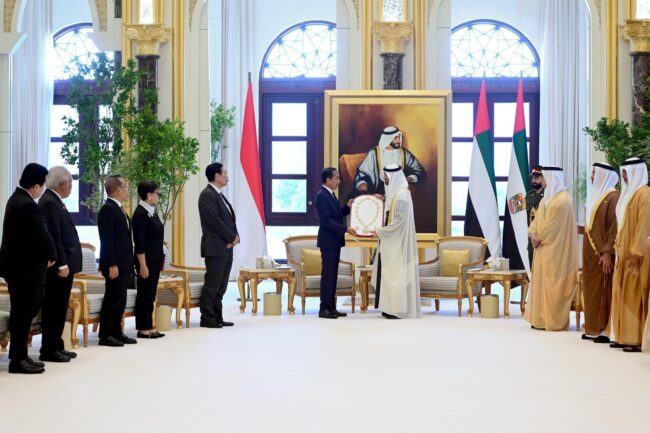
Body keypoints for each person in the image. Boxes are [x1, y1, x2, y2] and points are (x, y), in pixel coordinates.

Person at [0, 163, 56, 374]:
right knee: (23, 313)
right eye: (42, 186)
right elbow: (41, 234)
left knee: (22, 313)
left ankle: (20, 355)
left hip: (20, 268)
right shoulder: (26, 204)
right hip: (25, 270)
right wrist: (52, 254)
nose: (42, 190)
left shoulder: (16, 199)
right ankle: (18, 359)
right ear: (35, 186)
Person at [525, 166, 578, 331]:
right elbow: (534, 220)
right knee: (539, 283)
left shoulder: (564, 200)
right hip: (539, 248)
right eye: (534, 177)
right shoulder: (540, 197)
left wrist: (538, 237)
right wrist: (532, 233)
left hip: (555, 250)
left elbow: (553, 227)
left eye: (539, 177)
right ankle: (539, 319)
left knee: (553, 285)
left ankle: (553, 321)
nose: (536, 181)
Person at [39, 166, 82, 362]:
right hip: (58, 267)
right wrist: (62, 264)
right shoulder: (49, 202)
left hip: (64, 265)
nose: (71, 188)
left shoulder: (56, 201)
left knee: (59, 308)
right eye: (71, 184)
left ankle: (57, 345)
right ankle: (49, 349)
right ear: (63, 183)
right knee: (53, 308)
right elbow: (54, 236)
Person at [609, 158, 650, 353]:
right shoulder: (628, 194)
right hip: (621, 252)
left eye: (626, 173)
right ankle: (621, 335)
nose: (623, 176)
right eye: (622, 172)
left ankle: (634, 338)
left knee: (633, 293)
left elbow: (644, 226)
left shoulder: (644, 194)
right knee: (621, 291)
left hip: (636, 255)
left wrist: (635, 252)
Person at [370, 165, 420, 319]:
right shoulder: (399, 193)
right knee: (390, 274)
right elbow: (393, 210)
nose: (384, 180)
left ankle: (397, 309)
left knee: (396, 275)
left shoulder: (402, 196)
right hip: (393, 242)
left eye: (386, 178)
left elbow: (398, 222)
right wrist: (382, 200)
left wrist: (378, 231)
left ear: (393, 178)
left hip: (398, 243)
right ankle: (389, 307)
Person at [581, 163, 619, 343]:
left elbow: (614, 228)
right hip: (590, 254)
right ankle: (591, 328)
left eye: (595, 173)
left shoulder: (613, 197)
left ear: (605, 175)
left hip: (602, 254)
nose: (591, 177)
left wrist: (606, 253)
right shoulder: (597, 196)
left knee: (603, 289)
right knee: (591, 291)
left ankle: (603, 330)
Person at [198, 163, 238, 328]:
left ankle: (217, 316)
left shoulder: (219, 194)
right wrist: (231, 237)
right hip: (215, 247)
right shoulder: (207, 195)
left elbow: (228, 219)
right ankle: (207, 318)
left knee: (221, 285)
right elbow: (215, 221)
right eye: (225, 173)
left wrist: (235, 237)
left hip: (226, 247)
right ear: (217, 176)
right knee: (213, 284)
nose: (227, 176)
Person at [97, 175, 136, 347]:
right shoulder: (108, 209)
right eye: (126, 186)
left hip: (125, 262)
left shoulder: (119, 209)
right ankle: (106, 334)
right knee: (112, 298)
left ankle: (117, 332)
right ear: (118, 190)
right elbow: (107, 239)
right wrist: (112, 263)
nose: (128, 190)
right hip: (115, 264)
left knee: (121, 298)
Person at [315, 167, 356, 319]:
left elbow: (337, 214)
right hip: (328, 241)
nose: (339, 181)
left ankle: (331, 307)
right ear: (328, 180)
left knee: (332, 275)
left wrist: (348, 207)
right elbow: (326, 221)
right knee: (328, 275)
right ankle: (324, 308)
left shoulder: (330, 195)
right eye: (337, 178)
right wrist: (345, 229)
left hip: (334, 241)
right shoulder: (322, 196)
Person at [132, 181, 165, 339]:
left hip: (155, 259)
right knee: (144, 293)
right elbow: (140, 242)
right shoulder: (139, 214)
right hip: (146, 260)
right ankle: (142, 328)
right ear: (149, 195)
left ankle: (149, 325)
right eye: (157, 193)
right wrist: (143, 265)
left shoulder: (151, 210)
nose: (159, 196)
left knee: (150, 294)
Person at [353, 126, 425, 196]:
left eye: (399, 137)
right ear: (388, 139)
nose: (399, 140)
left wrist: (407, 179)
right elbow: (363, 171)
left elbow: (418, 170)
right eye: (396, 137)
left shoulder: (404, 153)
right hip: (377, 189)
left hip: (397, 189)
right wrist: (362, 183)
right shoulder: (374, 153)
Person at [525, 165, 545, 265]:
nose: (534, 180)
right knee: (532, 266)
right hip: (531, 237)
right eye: (533, 177)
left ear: (544, 177)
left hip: (543, 238)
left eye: (537, 177)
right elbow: (512, 208)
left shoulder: (548, 195)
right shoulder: (529, 195)